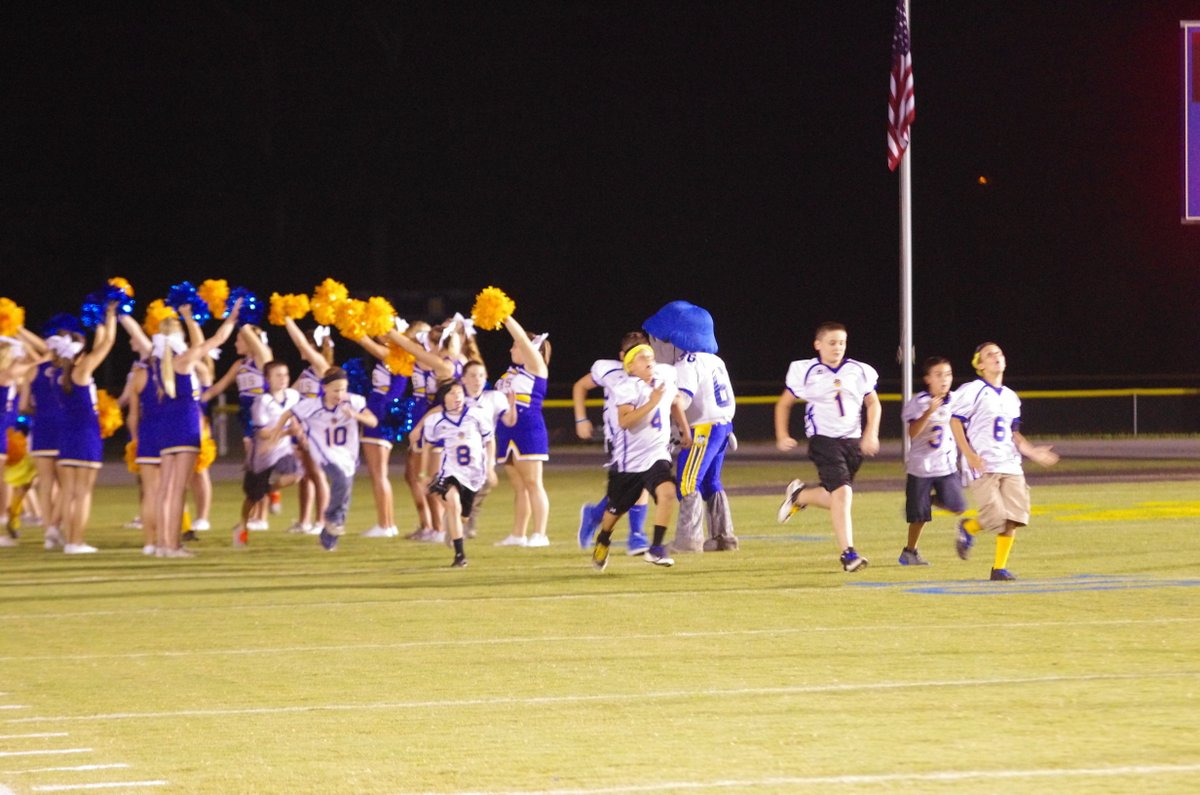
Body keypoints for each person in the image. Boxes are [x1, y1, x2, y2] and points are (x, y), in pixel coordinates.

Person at [774, 321, 880, 572]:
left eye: (842, 343)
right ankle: (849, 554)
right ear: (818, 345)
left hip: (852, 442)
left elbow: (873, 403)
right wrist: (782, 435)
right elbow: (784, 404)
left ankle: (799, 495)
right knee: (843, 494)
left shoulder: (858, 370)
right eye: (832, 343)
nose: (838, 347)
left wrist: (871, 434)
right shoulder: (807, 371)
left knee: (836, 497)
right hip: (823, 440)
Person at [949, 342, 1059, 581]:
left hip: (1010, 462)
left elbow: (1013, 432)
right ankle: (968, 527)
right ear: (980, 365)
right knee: (995, 517)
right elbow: (955, 421)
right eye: (989, 354)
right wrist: (968, 454)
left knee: (1014, 517)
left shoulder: (1011, 397)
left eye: (998, 353)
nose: (996, 357)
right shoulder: (974, 389)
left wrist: (1031, 452)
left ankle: (999, 568)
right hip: (983, 462)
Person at [643, 301, 738, 552]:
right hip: (722, 426)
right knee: (711, 482)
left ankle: (689, 540)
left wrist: (656, 407)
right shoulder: (715, 360)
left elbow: (681, 401)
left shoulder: (688, 362)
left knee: (687, 482)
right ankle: (723, 537)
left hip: (702, 429)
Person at [590, 344, 691, 572]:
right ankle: (603, 538)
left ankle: (656, 549)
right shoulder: (626, 387)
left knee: (668, 492)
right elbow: (625, 421)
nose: (649, 360)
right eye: (642, 357)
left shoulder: (664, 379)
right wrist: (652, 402)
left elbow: (675, 401)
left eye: (651, 356)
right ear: (630, 366)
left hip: (657, 454)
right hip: (629, 462)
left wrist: (684, 428)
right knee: (615, 511)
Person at [272, 367, 377, 552]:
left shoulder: (353, 401)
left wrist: (356, 415)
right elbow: (288, 413)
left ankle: (329, 537)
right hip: (324, 452)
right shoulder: (312, 406)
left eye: (343, 389)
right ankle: (330, 518)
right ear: (324, 388)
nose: (340, 394)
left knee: (345, 493)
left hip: (347, 454)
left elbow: (373, 421)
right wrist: (276, 434)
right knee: (341, 481)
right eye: (336, 390)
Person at [573, 331, 652, 555]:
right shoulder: (609, 370)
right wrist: (581, 419)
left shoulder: (654, 372)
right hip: (618, 439)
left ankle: (601, 517)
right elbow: (580, 386)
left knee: (637, 484)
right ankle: (635, 534)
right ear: (622, 356)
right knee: (631, 486)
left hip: (645, 438)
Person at [54, 304, 118, 554]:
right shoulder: (81, 372)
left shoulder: (62, 375)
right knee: (82, 493)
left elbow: (100, 344)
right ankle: (76, 542)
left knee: (69, 492)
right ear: (80, 355)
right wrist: (111, 315)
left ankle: (69, 541)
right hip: (85, 437)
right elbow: (108, 343)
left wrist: (99, 322)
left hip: (66, 437)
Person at [898, 356, 967, 566]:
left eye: (948, 374)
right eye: (938, 375)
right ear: (928, 378)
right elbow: (913, 432)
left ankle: (926, 501)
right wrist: (929, 411)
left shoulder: (957, 400)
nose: (944, 379)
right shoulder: (919, 402)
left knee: (958, 506)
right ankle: (910, 551)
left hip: (946, 465)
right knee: (919, 518)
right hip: (921, 467)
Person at [490, 314, 551, 548]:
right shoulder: (510, 373)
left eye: (515, 345)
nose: (511, 349)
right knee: (519, 487)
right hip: (507, 430)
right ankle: (518, 534)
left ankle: (540, 534)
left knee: (533, 483)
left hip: (528, 429)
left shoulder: (536, 367)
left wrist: (504, 317)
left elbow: (523, 340)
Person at [420, 380, 496, 567]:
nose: (457, 397)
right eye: (452, 393)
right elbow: (427, 446)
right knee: (453, 502)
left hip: (474, 474)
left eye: (460, 393)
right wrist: (423, 473)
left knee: (463, 517)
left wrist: (490, 466)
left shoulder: (476, 414)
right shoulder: (436, 420)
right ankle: (460, 555)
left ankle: (452, 526)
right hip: (451, 471)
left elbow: (490, 440)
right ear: (443, 398)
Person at [233, 361, 303, 547]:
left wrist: (299, 431)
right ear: (267, 379)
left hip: (283, 450)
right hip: (263, 454)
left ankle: (270, 491)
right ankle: (242, 526)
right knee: (253, 497)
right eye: (278, 375)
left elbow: (297, 418)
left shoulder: (292, 396)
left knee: (295, 476)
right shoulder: (262, 401)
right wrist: (287, 432)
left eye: (285, 374)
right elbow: (262, 433)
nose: (283, 379)